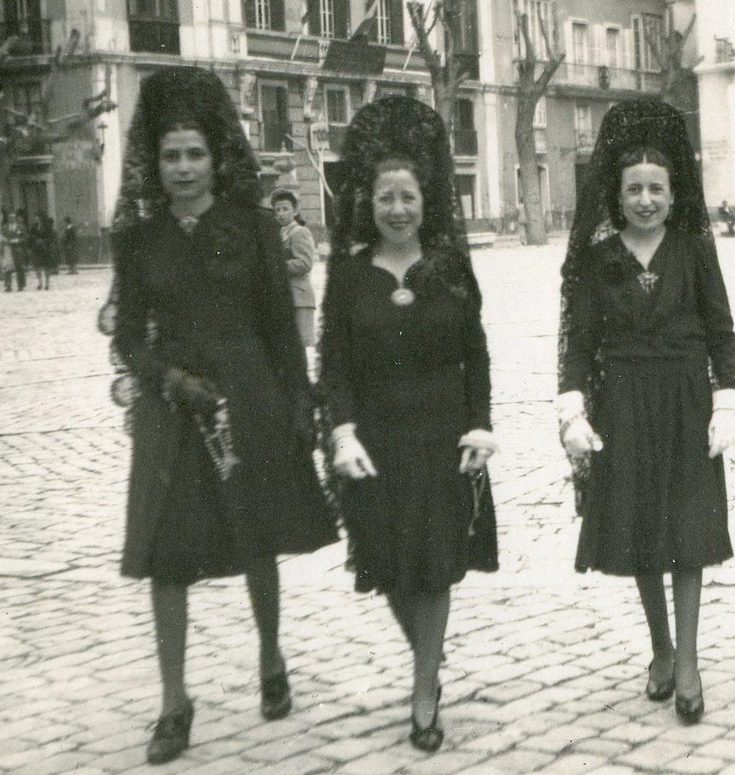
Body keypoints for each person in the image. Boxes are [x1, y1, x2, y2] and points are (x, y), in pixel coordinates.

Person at [99, 66, 337, 765]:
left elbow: (278, 327)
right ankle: (174, 702)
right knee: (166, 556)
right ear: (154, 163)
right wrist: (169, 379)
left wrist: (300, 403)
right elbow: (127, 337)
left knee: (257, 537)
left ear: (216, 159)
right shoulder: (138, 240)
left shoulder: (255, 228)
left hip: (248, 397)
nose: (182, 168)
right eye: (171, 156)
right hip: (171, 410)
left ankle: (271, 657)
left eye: (194, 154)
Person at [317, 98, 499, 754]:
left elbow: (476, 354)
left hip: (442, 435)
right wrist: (341, 432)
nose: (398, 209)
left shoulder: (450, 268)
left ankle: (424, 693)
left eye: (409, 197)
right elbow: (334, 363)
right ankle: (428, 655)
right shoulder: (348, 277)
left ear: (427, 202)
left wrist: (480, 425)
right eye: (386, 198)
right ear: (368, 203)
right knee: (391, 567)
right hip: (376, 440)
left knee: (435, 566)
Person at [557, 99, 735, 725]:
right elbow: (578, 343)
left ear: (673, 193)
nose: (645, 200)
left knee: (687, 534)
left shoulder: (693, 251)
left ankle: (687, 660)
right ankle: (660, 646)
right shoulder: (598, 260)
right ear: (617, 195)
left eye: (656, 188)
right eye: (634, 189)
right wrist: (573, 409)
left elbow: (721, 330)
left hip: (686, 404)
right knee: (642, 535)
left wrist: (726, 401)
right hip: (624, 407)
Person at [271, 190, 318, 357]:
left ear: (295, 211)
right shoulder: (277, 234)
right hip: (285, 297)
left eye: (285, 209)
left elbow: (305, 263)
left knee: (297, 350)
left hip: (299, 298)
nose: (281, 213)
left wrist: (276, 265)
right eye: (277, 210)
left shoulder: (300, 232)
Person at [5, 210, 30, 293]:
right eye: (10, 218)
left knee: (19, 266)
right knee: (7, 267)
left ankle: (21, 285)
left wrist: (19, 240)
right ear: (8, 219)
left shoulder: (20, 227)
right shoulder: (5, 227)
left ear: (15, 218)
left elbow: (25, 237)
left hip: (18, 247)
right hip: (8, 248)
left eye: (13, 218)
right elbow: (3, 236)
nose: (12, 219)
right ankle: (8, 286)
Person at [34, 211, 60, 286]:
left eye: (38, 218)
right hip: (37, 249)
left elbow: (51, 237)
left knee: (46, 267)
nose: (36, 219)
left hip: (46, 248)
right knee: (37, 267)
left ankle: (47, 283)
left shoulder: (47, 227)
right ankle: (40, 282)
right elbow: (31, 236)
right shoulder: (34, 227)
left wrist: (43, 241)